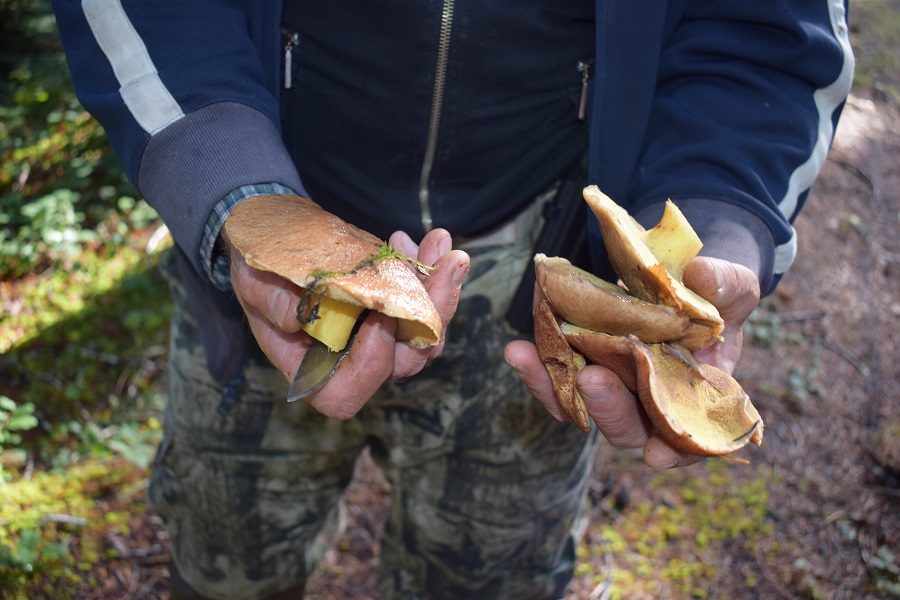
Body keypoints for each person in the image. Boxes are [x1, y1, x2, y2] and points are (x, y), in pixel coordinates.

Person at [51, 1, 854, 599]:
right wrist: (232, 189)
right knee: (224, 569)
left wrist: (712, 219)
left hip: (542, 275)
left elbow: (768, 33)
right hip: (266, 252)